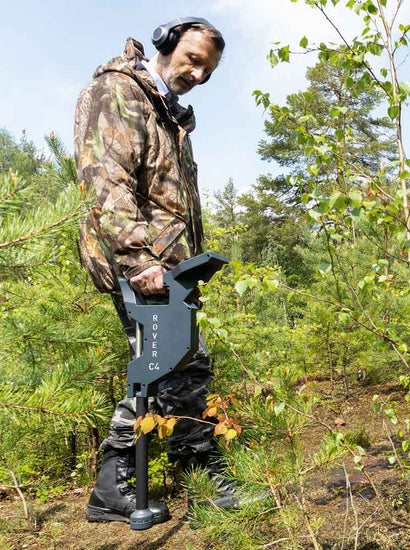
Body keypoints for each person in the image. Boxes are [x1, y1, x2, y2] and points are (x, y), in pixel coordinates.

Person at [74, 17, 226, 525]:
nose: (198, 75)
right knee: (166, 365)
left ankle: (128, 485)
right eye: (193, 61)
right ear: (166, 44)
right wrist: (139, 258)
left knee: (173, 364)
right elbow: (105, 180)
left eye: (207, 71)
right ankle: (168, 481)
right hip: (141, 265)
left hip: (172, 268)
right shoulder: (117, 91)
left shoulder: (169, 115)